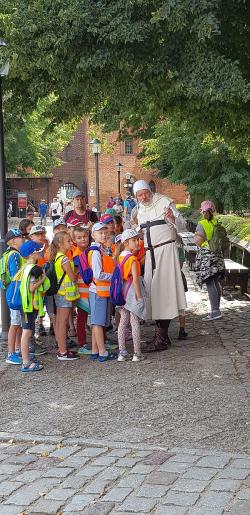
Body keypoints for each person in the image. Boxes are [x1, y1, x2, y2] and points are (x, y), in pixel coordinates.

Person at [134, 179, 186, 351]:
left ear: (150, 191)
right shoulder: (140, 209)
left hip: (165, 252)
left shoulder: (165, 202)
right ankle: (161, 335)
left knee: (165, 294)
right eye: (139, 195)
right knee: (154, 294)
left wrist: (172, 219)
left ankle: (161, 338)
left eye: (145, 193)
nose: (143, 197)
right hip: (150, 254)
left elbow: (183, 226)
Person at [18, 240, 50, 372]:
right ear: (32, 254)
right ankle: (26, 362)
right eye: (37, 250)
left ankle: (27, 358)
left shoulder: (25, 267)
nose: (40, 252)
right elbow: (32, 288)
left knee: (27, 331)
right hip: (29, 306)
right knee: (27, 332)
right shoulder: (34, 269)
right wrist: (43, 279)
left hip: (27, 305)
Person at [88, 222, 116, 362]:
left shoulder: (101, 250)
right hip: (98, 291)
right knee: (98, 323)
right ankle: (102, 352)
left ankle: (95, 350)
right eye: (100, 233)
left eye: (105, 232)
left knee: (97, 321)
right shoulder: (96, 252)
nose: (104, 235)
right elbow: (98, 274)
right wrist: (113, 277)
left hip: (101, 291)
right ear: (93, 235)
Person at [49, 231, 80, 361]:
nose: (71, 243)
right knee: (63, 323)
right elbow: (72, 277)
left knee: (60, 322)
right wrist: (77, 271)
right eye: (68, 241)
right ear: (60, 243)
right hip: (65, 294)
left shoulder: (57, 257)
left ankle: (62, 349)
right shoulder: (65, 259)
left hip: (60, 294)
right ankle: (63, 351)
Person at [117, 229, 146, 363]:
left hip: (122, 292)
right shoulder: (133, 259)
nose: (137, 242)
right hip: (132, 292)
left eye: (137, 239)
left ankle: (122, 352)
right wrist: (140, 297)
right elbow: (135, 280)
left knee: (123, 321)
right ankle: (137, 353)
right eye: (134, 240)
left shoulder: (120, 257)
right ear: (126, 243)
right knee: (134, 321)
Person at [194, 200, 225, 321]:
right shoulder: (216, 221)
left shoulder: (202, 223)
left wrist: (195, 236)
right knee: (216, 282)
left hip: (207, 257)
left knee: (210, 282)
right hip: (217, 256)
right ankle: (217, 309)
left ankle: (215, 311)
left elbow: (199, 242)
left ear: (204, 211)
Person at [2, 229, 24, 365]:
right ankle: (11, 353)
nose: (22, 239)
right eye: (20, 237)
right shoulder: (15, 255)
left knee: (17, 322)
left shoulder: (7, 254)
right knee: (15, 323)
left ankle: (17, 349)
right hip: (16, 291)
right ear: (13, 241)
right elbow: (17, 275)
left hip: (10, 290)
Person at [72, 226, 91, 354]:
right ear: (75, 240)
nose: (83, 239)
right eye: (79, 237)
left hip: (91, 290)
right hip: (82, 291)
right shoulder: (77, 255)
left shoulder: (91, 250)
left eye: (84, 236)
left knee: (97, 316)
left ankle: (103, 339)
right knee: (81, 318)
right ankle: (82, 343)